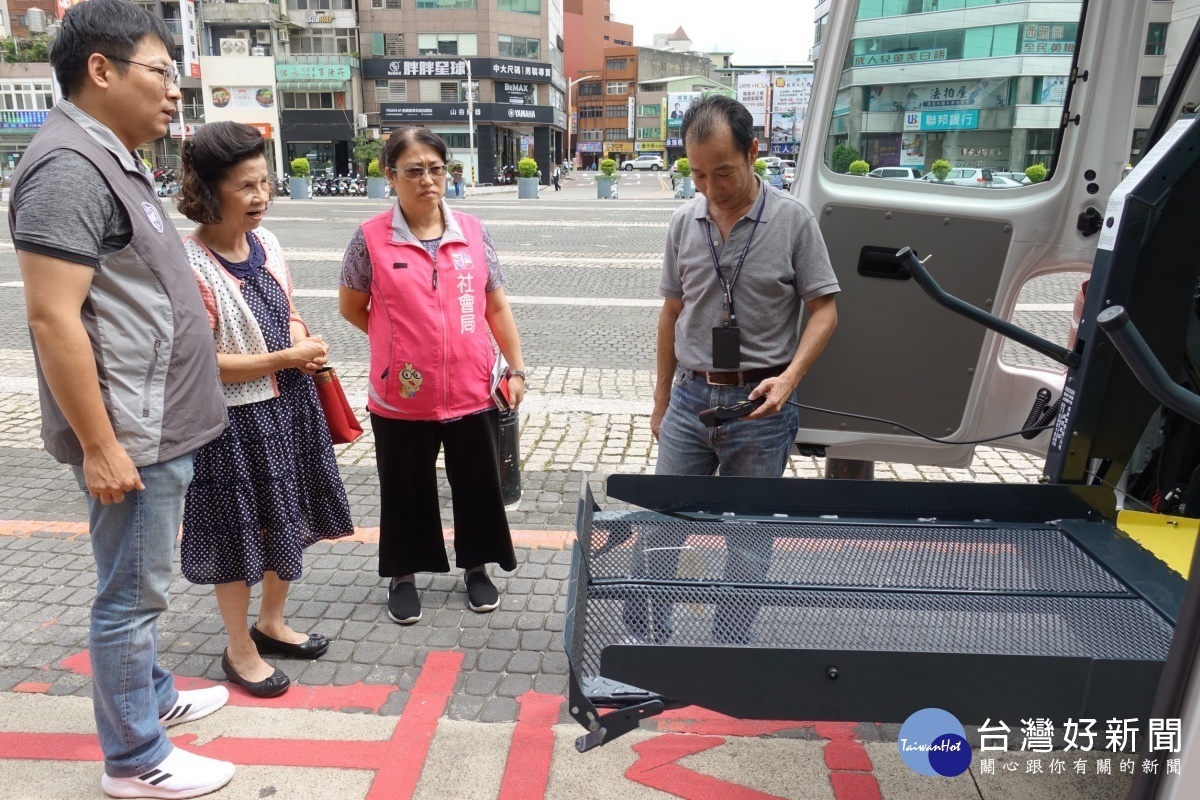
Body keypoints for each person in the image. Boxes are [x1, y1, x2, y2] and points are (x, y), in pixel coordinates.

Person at [11, 1, 236, 796]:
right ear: (101, 70)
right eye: (161, 73)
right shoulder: (68, 166)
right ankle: (135, 759)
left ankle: (156, 699)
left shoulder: (112, 156)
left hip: (160, 420)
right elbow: (51, 316)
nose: (174, 92)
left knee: (144, 584)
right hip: (132, 433)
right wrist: (103, 444)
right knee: (131, 596)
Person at [638, 93, 840, 644]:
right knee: (663, 523)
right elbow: (671, 312)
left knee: (747, 537)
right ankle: (652, 633)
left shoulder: (794, 221)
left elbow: (825, 309)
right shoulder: (684, 222)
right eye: (697, 173)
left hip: (761, 406)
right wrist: (660, 399)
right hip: (690, 399)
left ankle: (730, 638)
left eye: (722, 171)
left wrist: (791, 378)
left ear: (754, 152)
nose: (710, 188)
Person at [176, 122, 355, 699]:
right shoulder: (189, 265)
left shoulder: (268, 243)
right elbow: (202, 362)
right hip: (232, 423)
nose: (261, 197)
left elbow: (288, 307)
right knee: (235, 536)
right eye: (246, 186)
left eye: (265, 182)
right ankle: (239, 647)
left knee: (290, 518)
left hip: (288, 408)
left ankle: (273, 623)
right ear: (208, 191)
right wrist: (286, 355)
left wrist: (305, 340)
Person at [339, 127, 527, 625]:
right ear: (390, 176)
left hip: (472, 389)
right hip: (401, 395)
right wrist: (398, 342)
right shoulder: (369, 239)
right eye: (414, 170)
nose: (427, 179)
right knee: (404, 486)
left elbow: (496, 305)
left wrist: (516, 367)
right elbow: (353, 306)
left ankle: (477, 567)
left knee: (478, 484)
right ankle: (403, 574)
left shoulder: (473, 230)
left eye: (436, 168)